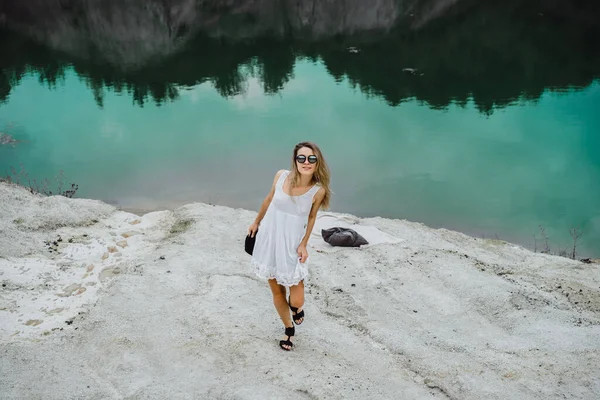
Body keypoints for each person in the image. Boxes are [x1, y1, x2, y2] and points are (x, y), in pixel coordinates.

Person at [247, 141, 331, 351]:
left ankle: (296, 309)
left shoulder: (318, 191)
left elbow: (311, 218)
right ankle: (289, 330)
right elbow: (268, 200)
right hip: (269, 239)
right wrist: (256, 222)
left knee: (296, 298)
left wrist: (304, 244)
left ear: (317, 162)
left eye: (311, 158)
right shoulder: (281, 176)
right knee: (277, 292)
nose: (306, 162)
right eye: (301, 157)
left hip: (292, 245)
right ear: (295, 160)